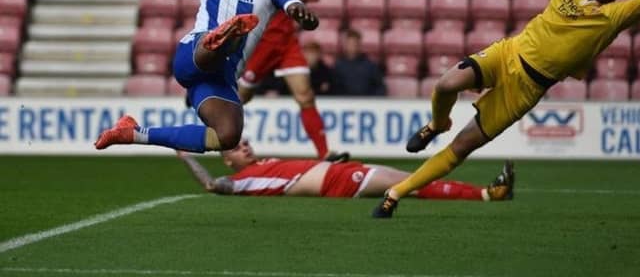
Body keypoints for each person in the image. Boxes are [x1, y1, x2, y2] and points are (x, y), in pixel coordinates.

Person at [373, 0, 639, 218]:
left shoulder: (615, 18)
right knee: (446, 84)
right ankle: (436, 124)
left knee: (462, 147)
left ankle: (394, 194)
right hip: (508, 53)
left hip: (527, 89)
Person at [94, 0, 319, 154]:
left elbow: (291, 4)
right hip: (193, 54)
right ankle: (220, 38)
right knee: (213, 44)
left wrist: (301, 13)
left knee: (227, 135)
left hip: (219, 77)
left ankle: (132, 132)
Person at [238, 0, 346, 162]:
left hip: (287, 41)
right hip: (262, 41)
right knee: (240, 98)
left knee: (305, 95)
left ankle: (325, 153)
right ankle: (208, 135)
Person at [177, 138, 515, 202]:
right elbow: (211, 184)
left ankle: (485, 193)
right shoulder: (241, 181)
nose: (245, 146)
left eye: (244, 142)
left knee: (415, 182)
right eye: (237, 148)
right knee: (414, 183)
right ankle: (487, 194)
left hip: (341, 173)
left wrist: (329, 163)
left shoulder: (262, 165)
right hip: (340, 184)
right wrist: (184, 155)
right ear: (227, 161)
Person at [332, 29, 386, 96]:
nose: (353, 46)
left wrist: (371, 100)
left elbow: (381, 87)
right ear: (345, 45)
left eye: (355, 43)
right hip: (344, 103)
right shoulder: (338, 66)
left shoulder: (370, 65)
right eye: (350, 43)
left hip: (366, 103)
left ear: (360, 45)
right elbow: (334, 88)